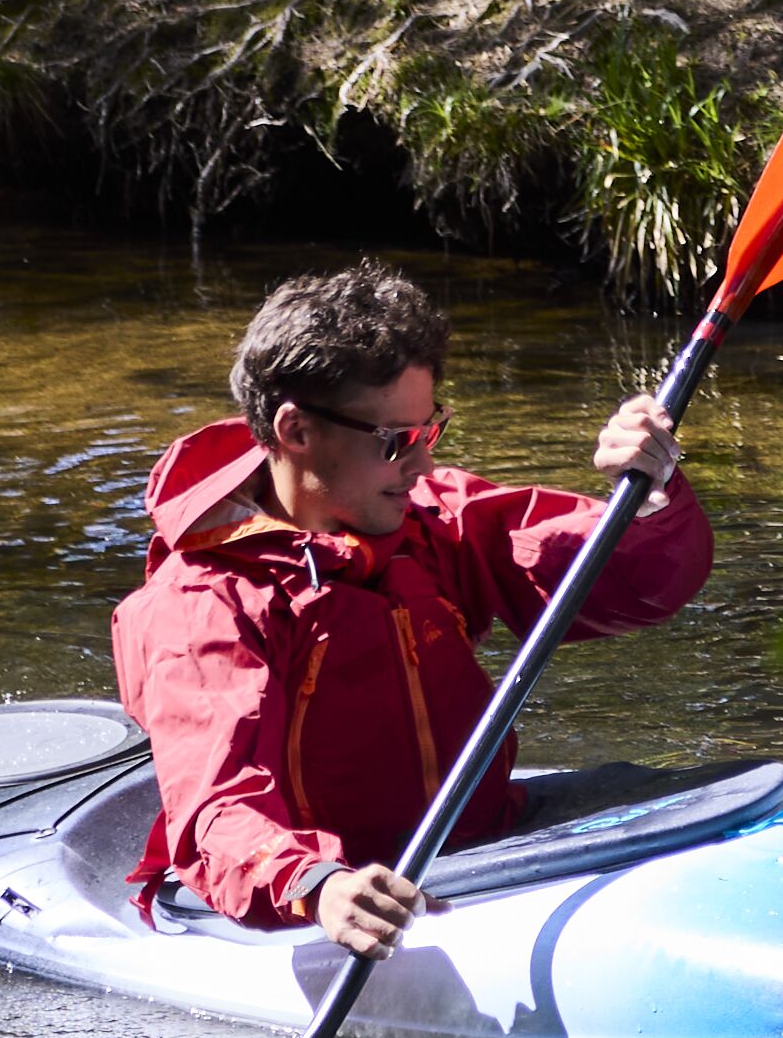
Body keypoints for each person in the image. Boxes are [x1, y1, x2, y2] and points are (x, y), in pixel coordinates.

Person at [112, 260, 706, 959]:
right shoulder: (202, 604)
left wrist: (653, 488)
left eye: (431, 433)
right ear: (296, 430)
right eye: (396, 441)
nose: (422, 467)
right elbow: (217, 809)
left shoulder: (434, 519)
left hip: (481, 852)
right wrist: (318, 884)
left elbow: (638, 583)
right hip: (327, 890)